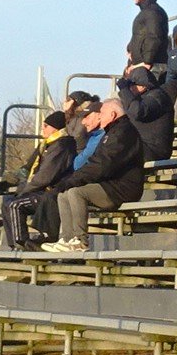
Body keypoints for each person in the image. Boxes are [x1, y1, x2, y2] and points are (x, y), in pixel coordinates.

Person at [42, 93, 145, 252]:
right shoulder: (112, 132)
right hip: (110, 184)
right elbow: (96, 161)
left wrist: (73, 181)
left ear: (112, 115)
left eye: (102, 113)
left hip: (122, 188)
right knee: (63, 194)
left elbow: (103, 165)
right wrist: (68, 182)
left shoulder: (123, 133)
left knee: (76, 192)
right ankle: (67, 239)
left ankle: (81, 241)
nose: (100, 116)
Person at [4, 109, 76, 247]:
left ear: (55, 128)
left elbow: (45, 176)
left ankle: (23, 244)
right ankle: (14, 245)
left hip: (51, 192)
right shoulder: (47, 145)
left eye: (46, 126)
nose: (42, 129)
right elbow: (33, 169)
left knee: (15, 204)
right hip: (41, 190)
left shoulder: (62, 145)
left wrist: (24, 190)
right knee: (7, 202)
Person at [121, 68, 175, 163]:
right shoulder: (138, 99)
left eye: (131, 85)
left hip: (153, 150)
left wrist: (124, 91)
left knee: (116, 154)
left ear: (143, 85)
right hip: (141, 146)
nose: (130, 88)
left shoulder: (157, 96)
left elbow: (138, 112)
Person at [125, 0, 169, 74]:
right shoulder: (145, 13)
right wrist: (130, 48)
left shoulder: (153, 12)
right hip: (141, 66)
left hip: (152, 67)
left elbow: (154, 37)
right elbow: (139, 36)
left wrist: (147, 62)